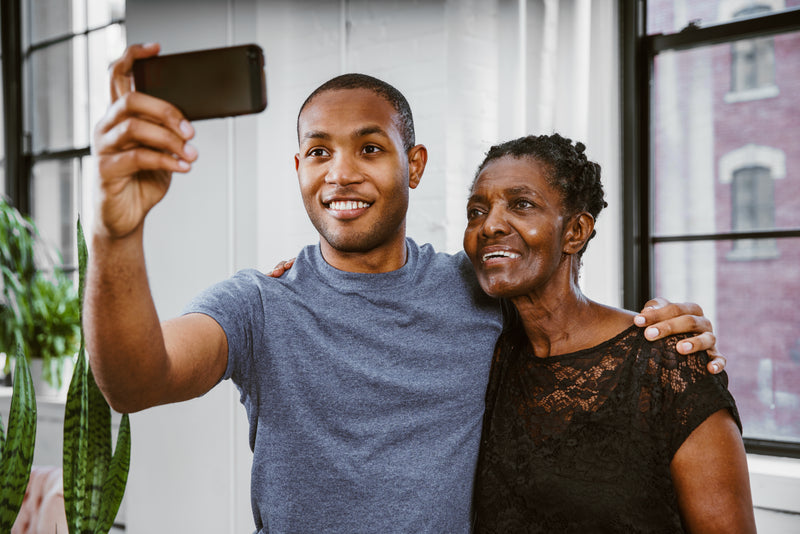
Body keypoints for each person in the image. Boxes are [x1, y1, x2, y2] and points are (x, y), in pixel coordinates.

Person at [86, 43, 724, 533]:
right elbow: (134, 381)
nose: (342, 174)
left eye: (369, 148)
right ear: (299, 169)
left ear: (412, 165)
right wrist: (117, 233)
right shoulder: (259, 303)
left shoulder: (478, 289)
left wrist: (668, 331)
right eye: (318, 153)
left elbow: (570, 322)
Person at [464, 134, 755, 533]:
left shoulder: (666, 362)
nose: (490, 225)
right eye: (476, 211)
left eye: (522, 204)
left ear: (575, 232)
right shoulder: (487, 354)